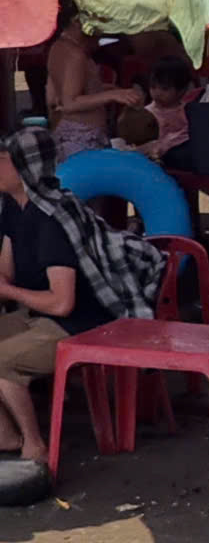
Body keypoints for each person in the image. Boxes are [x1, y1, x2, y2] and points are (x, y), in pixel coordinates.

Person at [0, 128, 164, 471]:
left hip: (78, 324)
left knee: (1, 361)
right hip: (37, 313)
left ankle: (35, 446)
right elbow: (7, 272)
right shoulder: (15, 208)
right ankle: (6, 436)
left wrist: (9, 292)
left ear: (24, 168)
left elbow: (62, 304)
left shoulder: (53, 219)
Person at [42, 0, 137, 160]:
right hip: (82, 137)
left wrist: (108, 90)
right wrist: (112, 96)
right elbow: (70, 102)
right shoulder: (76, 55)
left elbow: (53, 97)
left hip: (68, 132)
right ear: (76, 20)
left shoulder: (57, 47)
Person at [138, 57, 197, 166]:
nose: (157, 93)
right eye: (153, 87)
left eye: (164, 89)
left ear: (182, 90)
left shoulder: (188, 111)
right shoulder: (145, 113)